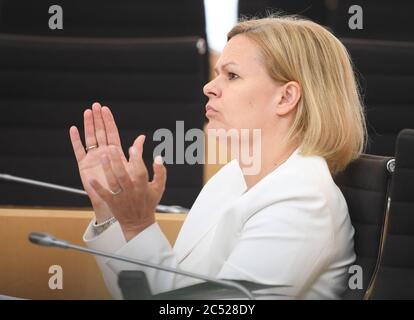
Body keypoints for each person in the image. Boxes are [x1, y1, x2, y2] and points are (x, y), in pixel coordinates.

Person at [69, 16, 366, 299]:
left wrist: (137, 227)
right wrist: (111, 212)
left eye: (232, 75)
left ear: (286, 98)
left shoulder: (304, 203)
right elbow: (162, 289)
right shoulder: (233, 177)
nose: (208, 87)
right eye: (217, 74)